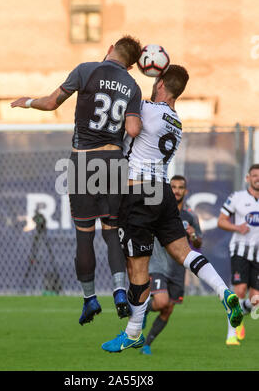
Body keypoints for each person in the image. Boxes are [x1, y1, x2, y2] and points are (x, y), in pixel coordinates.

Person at [101, 64, 243, 353]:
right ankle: (224, 292)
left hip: (139, 191)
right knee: (183, 252)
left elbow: (121, 111)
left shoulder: (147, 109)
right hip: (162, 191)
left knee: (136, 264)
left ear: (162, 82)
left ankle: (133, 332)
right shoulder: (176, 122)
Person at [11, 36, 143, 324]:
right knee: (111, 232)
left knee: (84, 235)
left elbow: (50, 103)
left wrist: (27, 101)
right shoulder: (133, 86)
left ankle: (90, 299)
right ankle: (120, 292)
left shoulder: (86, 70)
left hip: (83, 161)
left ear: (110, 49)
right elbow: (133, 129)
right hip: (114, 161)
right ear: (131, 65)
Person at [140, 175, 203, 355]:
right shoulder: (160, 211)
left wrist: (192, 236)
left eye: (180, 187)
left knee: (167, 310)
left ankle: (147, 344)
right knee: (161, 302)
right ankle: (143, 309)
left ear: (186, 191)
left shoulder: (190, 216)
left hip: (177, 269)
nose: (176, 190)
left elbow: (198, 243)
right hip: (158, 265)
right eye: (173, 187)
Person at [218, 163, 259, 345]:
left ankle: (241, 309)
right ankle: (231, 335)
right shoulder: (237, 197)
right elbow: (221, 221)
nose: (257, 178)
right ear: (248, 178)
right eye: (254, 175)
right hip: (240, 249)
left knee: (255, 300)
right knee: (240, 289)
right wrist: (236, 227)